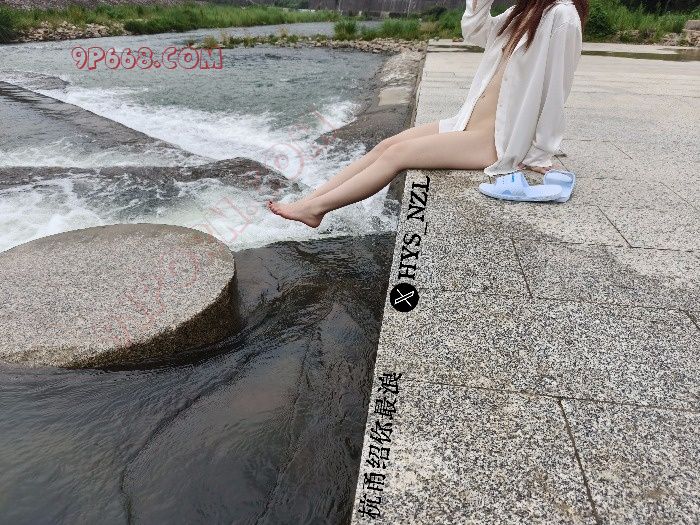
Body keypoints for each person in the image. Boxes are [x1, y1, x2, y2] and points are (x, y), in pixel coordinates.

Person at [267, 0, 588, 227]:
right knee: (387, 145)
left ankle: (316, 210)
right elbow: (475, 32)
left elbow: (557, 91)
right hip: (465, 123)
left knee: (398, 156)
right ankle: (310, 199)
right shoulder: (524, 10)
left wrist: (539, 153)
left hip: (495, 142)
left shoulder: (563, 16)